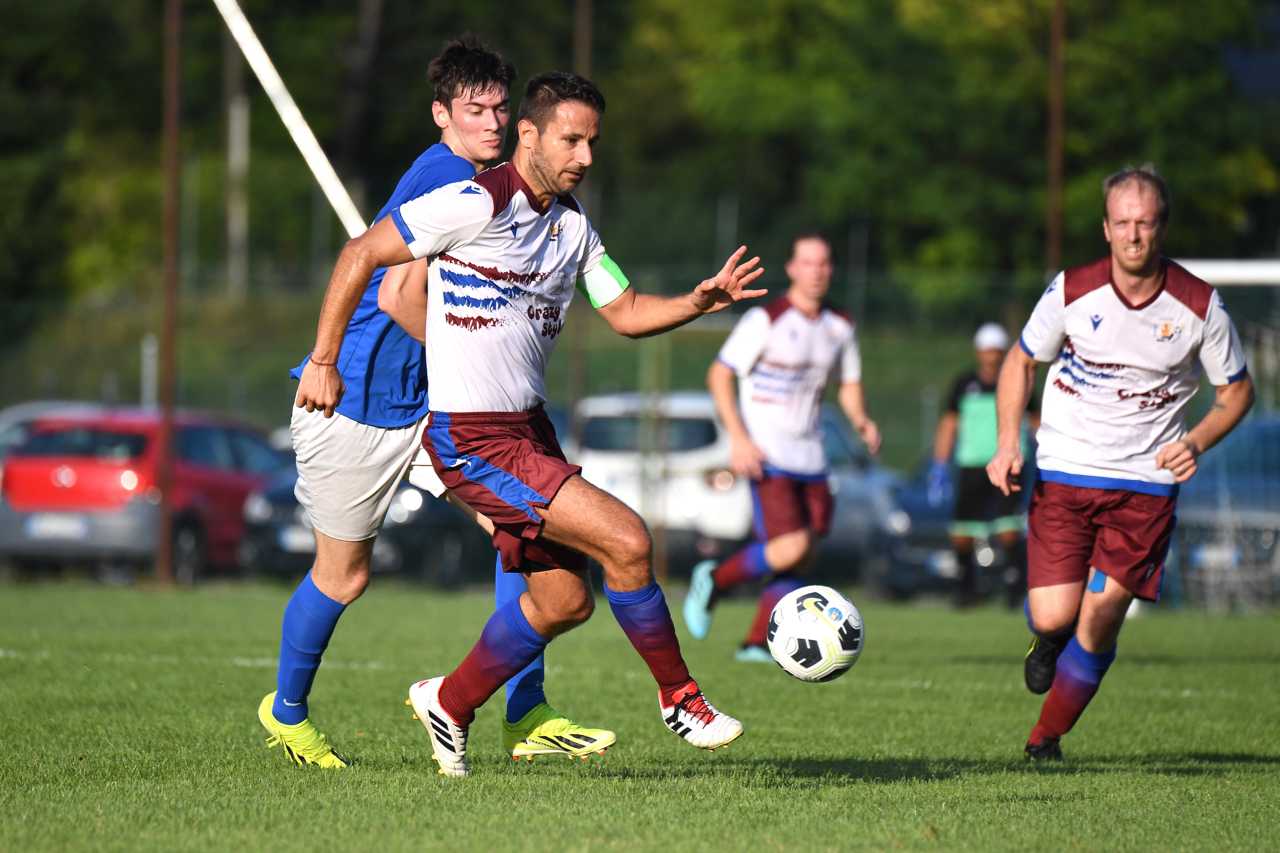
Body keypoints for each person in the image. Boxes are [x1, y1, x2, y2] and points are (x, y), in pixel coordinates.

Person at [297, 71, 766, 777]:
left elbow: (626, 311)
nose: (585, 156)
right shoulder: (472, 202)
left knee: (565, 601)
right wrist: (324, 359)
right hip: (473, 440)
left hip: (528, 432)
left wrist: (698, 302)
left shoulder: (574, 228)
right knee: (628, 540)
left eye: (593, 142)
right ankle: (682, 698)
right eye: (571, 140)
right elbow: (361, 253)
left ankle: (450, 701)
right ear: (529, 134)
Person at [258, 36, 613, 770]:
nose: (491, 122)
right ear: (441, 115)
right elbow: (396, 294)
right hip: (357, 401)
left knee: (520, 527)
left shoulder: (501, 187)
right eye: (474, 110)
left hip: (434, 405)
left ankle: (526, 708)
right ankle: (286, 712)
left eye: (499, 108)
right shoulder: (451, 177)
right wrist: (327, 360)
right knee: (344, 575)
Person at [987, 164, 1253, 761]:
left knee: (1103, 613)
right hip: (1065, 470)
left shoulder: (1199, 305)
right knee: (1052, 615)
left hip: (1144, 485)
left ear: (1163, 228)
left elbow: (1238, 391)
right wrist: (1007, 442)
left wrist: (1197, 441)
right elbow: (1020, 361)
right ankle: (1047, 639)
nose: (1134, 235)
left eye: (1146, 223)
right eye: (1123, 223)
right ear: (1106, 228)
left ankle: (1044, 739)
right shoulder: (1072, 289)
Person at [683, 233, 881, 662]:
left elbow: (848, 383)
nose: (816, 271)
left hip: (813, 457)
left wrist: (861, 419)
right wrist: (739, 438)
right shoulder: (766, 319)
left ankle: (757, 642)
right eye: (807, 263)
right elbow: (719, 375)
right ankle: (714, 580)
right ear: (792, 268)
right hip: (768, 454)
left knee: (803, 556)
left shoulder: (840, 325)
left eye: (823, 263)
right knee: (790, 546)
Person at [929, 322, 1039, 609]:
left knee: (1009, 529)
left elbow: (1037, 423)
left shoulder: (1016, 382)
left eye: (996, 351)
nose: (991, 356)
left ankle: (1014, 591)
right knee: (963, 532)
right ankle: (965, 591)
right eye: (987, 351)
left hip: (1009, 464)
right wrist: (939, 464)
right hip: (972, 465)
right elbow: (949, 424)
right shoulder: (964, 385)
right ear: (978, 352)